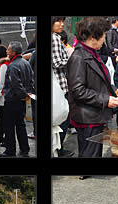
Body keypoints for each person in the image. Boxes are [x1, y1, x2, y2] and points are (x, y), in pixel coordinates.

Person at [68, 17, 118, 157]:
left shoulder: (91, 53)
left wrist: (113, 89)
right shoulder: (79, 57)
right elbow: (78, 90)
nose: (104, 39)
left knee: (93, 149)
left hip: (94, 111)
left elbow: (98, 80)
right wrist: (105, 99)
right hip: (87, 114)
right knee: (88, 151)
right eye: (103, 35)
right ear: (92, 37)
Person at [0, 41, 34, 157]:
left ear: (13, 52)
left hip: (13, 100)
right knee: (21, 125)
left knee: (9, 127)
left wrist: (23, 94)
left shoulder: (13, 66)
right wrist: (27, 94)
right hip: (21, 100)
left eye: (8, 50)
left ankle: (10, 150)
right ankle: (24, 150)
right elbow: (31, 80)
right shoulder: (25, 62)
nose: (7, 51)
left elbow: (16, 85)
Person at [51, 17, 74, 158]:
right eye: (58, 21)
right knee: (62, 119)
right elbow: (57, 62)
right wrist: (73, 59)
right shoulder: (54, 38)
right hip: (60, 86)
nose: (62, 24)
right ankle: (58, 149)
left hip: (57, 85)